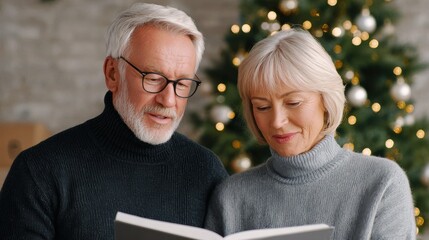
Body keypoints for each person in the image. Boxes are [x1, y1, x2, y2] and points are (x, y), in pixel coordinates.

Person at [0, 3, 228, 239]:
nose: (168, 100)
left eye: (181, 83)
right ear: (112, 73)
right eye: (152, 78)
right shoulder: (39, 172)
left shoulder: (206, 171)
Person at [204, 28, 416, 239]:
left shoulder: (382, 183)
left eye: (293, 102)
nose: (277, 122)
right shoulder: (230, 198)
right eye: (262, 107)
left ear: (325, 100)